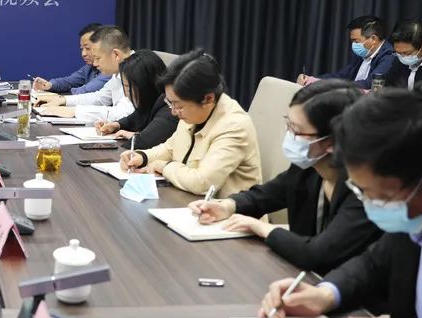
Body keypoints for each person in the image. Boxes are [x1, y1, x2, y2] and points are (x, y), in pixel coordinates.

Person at [258, 87, 422, 318]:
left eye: (379, 196)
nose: (371, 205)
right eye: (361, 192)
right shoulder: (419, 218)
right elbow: (372, 264)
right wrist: (324, 294)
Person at [191, 80, 381, 271]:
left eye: (296, 130)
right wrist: (227, 206)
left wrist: (265, 229)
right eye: (288, 125)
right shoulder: (309, 167)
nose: (289, 135)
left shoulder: (367, 188)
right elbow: (265, 195)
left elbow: (318, 254)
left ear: (331, 141)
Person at [120, 49, 261, 197]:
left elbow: (203, 183)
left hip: (224, 208)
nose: (173, 112)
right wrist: (142, 157)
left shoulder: (234, 126)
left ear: (208, 99)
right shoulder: (194, 113)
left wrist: (165, 167)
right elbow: (170, 148)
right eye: (170, 103)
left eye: (178, 105)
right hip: (189, 199)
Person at [36, 26, 135, 122]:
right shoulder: (119, 72)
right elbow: (100, 98)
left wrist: (75, 111)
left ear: (116, 54)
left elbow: (124, 113)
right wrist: (64, 100)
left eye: (98, 58)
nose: (95, 64)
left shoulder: (139, 69)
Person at [95, 50, 178, 150]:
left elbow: (146, 142)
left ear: (145, 85)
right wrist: (117, 125)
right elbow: (138, 116)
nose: (126, 94)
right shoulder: (153, 100)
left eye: (128, 87)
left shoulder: (170, 105)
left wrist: (133, 137)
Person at [298, 16, 394, 89]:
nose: (353, 45)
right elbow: (341, 76)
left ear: (373, 39)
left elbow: (369, 83)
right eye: (352, 41)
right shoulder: (364, 53)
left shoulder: (389, 56)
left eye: (356, 41)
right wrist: (312, 80)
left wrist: (332, 86)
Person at [32, 23, 109, 95]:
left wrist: (60, 97)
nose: (83, 54)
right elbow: (69, 81)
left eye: (88, 48)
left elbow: (87, 91)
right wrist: (49, 85)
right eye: (82, 49)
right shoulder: (88, 68)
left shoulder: (110, 69)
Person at [385, 20, 422, 92]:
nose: (402, 57)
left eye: (407, 53)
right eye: (398, 53)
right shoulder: (399, 55)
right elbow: (388, 83)